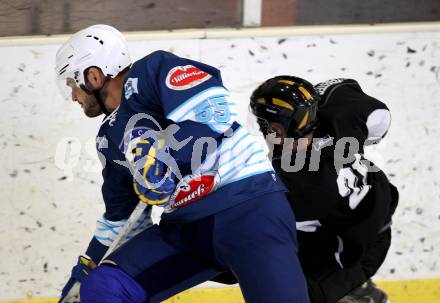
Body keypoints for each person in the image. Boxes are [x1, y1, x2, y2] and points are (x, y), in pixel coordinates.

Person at [55, 25, 310, 303]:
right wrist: (85, 271)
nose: (73, 96)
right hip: (187, 231)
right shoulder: (109, 137)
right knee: (104, 287)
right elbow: (122, 217)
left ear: (93, 76)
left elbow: (215, 113)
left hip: (248, 211)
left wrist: (167, 161)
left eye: (72, 84)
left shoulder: (154, 70)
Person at [249, 76, 399, 303]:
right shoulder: (341, 109)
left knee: (286, 289)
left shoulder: (301, 186)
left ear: (278, 129)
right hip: (379, 211)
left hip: (353, 252)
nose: (263, 130)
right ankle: (358, 289)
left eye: (265, 124)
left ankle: (356, 292)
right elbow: (379, 116)